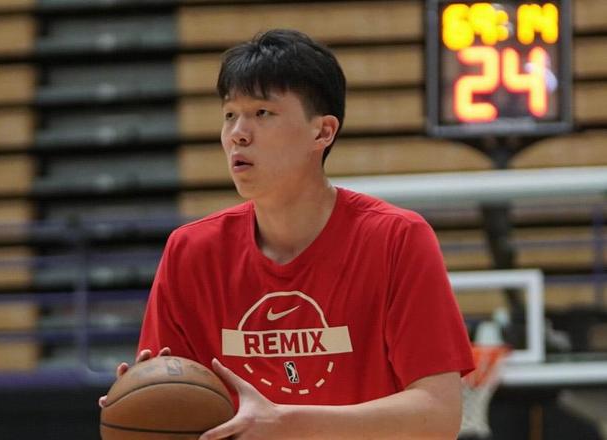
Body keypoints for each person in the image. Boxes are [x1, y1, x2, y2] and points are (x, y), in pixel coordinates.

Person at [100, 29, 475, 439]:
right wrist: (148, 401)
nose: (238, 133)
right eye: (230, 115)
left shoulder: (397, 239)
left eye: (262, 113)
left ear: (323, 132)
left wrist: (286, 423)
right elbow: (178, 412)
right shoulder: (191, 251)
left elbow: (439, 414)